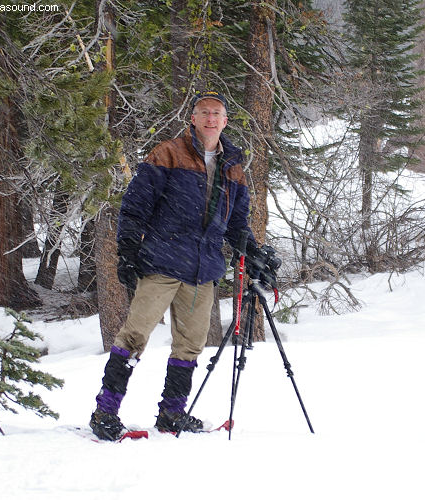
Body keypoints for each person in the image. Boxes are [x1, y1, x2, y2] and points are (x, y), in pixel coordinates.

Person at [89, 90, 259, 441]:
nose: (211, 119)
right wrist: (126, 249)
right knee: (134, 337)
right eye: (204, 113)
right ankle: (105, 411)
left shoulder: (234, 167)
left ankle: (172, 413)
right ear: (193, 119)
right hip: (162, 263)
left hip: (204, 270)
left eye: (217, 113)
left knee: (190, 345)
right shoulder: (167, 153)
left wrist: (254, 250)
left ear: (225, 121)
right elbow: (135, 205)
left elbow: (238, 222)